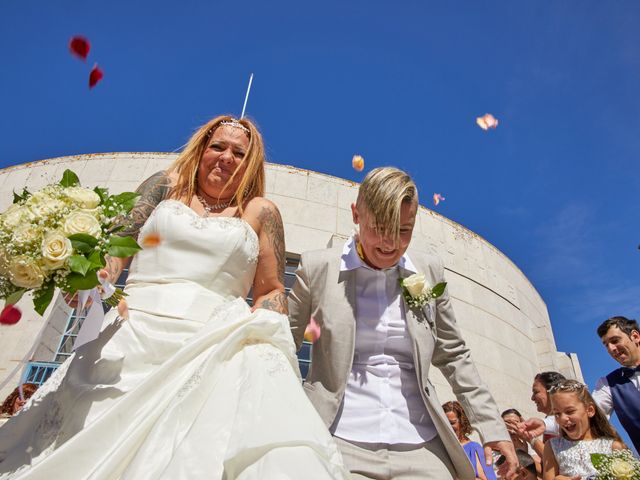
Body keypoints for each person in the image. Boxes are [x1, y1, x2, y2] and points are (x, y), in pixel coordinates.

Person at [0, 116, 348, 479]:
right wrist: (99, 273)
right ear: (201, 149)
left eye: (239, 153)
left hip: (216, 337)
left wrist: (268, 326)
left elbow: (272, 288)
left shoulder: (262, 212)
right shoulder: (164, 186)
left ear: (250, 163)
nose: (226, 157)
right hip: (134, 329)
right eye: (218, 146)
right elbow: (119, 245)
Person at [288, 167, 517, 480]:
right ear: (356, 214)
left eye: (404, 231)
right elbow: (283, 344)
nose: (390, 243)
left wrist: (491, 426)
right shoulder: (318, 268)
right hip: (339, 437)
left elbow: (453, 353)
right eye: (380, 227)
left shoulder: (425, 272)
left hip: (421, 442)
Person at [542, 379, 626, 480]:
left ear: (590, 410)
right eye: (557, 413)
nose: (563, 418)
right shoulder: (553, 447)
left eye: (570, 411)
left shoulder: (614, 446)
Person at [593, 316, 640, 452]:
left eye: (614, 341)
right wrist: (545, 424)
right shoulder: (607, 384)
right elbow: (586, 415)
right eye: (606, 345)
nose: (611, 349)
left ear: (635, 337)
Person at [443, 401, 497, 480]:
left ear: (462, 422)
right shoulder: (440, 447)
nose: (448, 427)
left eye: (452, 423)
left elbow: (486, 478)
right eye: (444, 422)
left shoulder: (474, 449)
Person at [500, 410, 541, 477]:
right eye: (507, 422)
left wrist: (523, 454)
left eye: (516, 423)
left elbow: (540, 473)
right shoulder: (492, 446)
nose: (511, 426)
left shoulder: (529, 447)